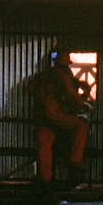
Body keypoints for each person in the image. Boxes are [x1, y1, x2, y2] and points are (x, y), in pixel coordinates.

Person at [33, 51, 89, 185]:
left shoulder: (45, 74)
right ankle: (75, 161)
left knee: (44, 148)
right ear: (66, 64)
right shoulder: (62, 75)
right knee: (80, 126)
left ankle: (44, 181)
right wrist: (83, 104)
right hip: (54, 113)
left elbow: (30, 88)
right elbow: (70, 94)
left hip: (42, 116)